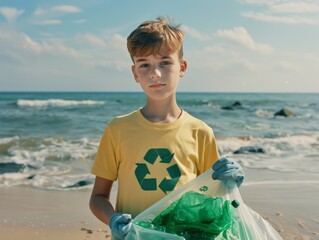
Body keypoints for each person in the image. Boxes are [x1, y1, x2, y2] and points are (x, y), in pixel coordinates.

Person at [89, 16, 244, 240]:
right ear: (135, 74)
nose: (155, 74)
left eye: (164, 62)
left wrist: (230, 184)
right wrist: (112, 218)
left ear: (182, 67)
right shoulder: (118, 130)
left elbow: (211, 199)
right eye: (144, 65)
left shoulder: (200, 132)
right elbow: (98, 198)